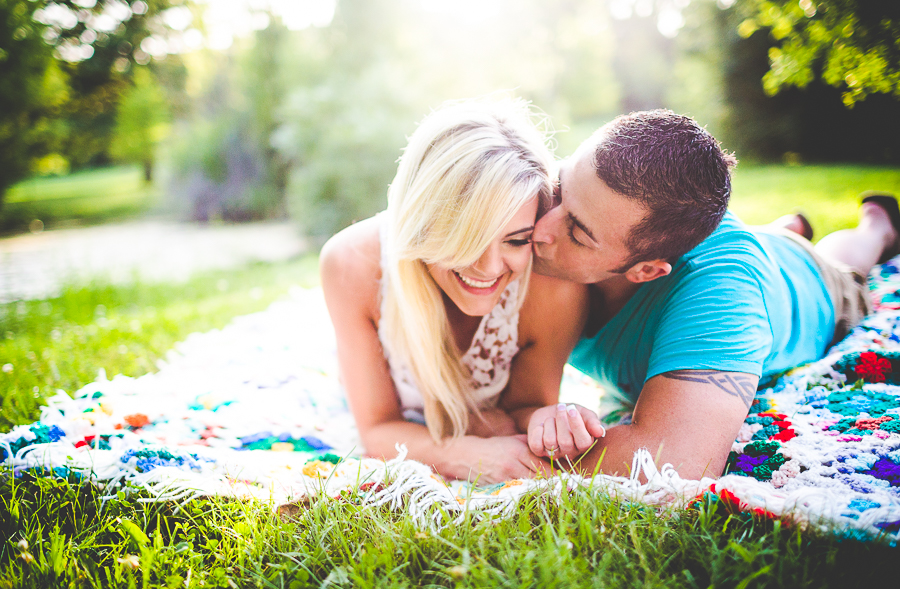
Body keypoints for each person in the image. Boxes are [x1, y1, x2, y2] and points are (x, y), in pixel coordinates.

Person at [525, 109, 900, 480]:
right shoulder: (581, 214)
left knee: (843, 265)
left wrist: (512, 457)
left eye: (577, 234)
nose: (539, 227)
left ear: (646, 271)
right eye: (559, 188)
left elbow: (673, 460)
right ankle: (785, 228)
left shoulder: (722, 296)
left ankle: (876, 227)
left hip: (814, 284)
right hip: (733, 248)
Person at [319, 99, 604, 484]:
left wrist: (544, 421)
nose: (487, 269)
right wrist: (466, 453)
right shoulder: (350, 262)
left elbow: (525, 405)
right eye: (465, 238)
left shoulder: (553, 287)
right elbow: (377, 430)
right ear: (420, 219)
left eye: (515, 240)